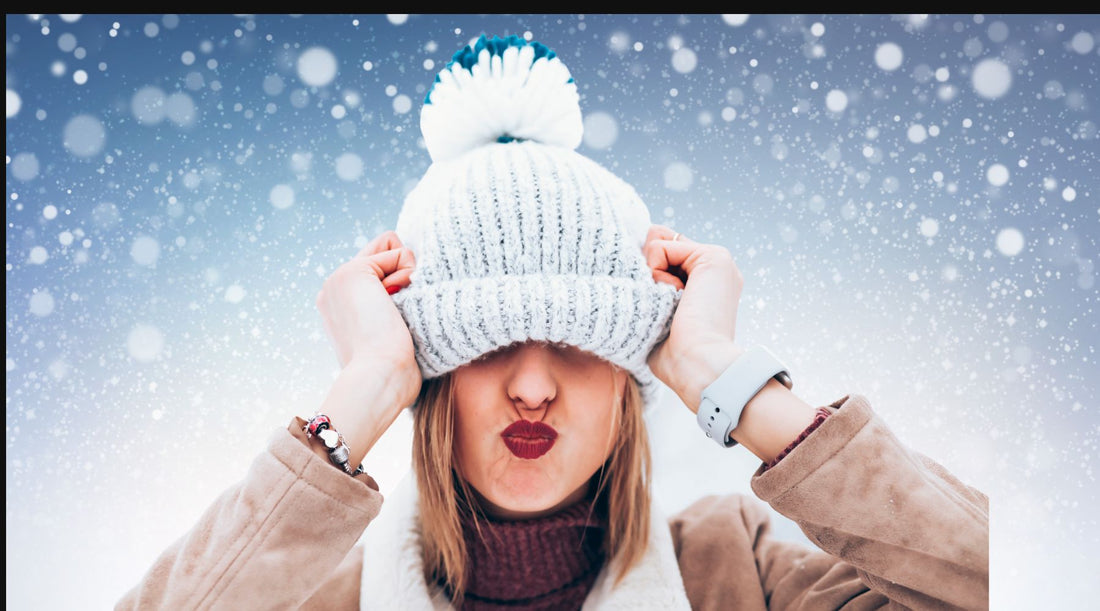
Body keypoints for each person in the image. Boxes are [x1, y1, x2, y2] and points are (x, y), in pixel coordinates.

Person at [117, 35, 988, 610]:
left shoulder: (739, 572)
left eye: (579, 341)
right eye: (488, 341)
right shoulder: (314, 593)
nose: (533, 386)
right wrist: (363, 391)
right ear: (430, 376)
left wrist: (729, 373)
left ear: (630, 377)